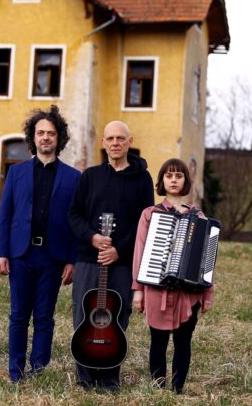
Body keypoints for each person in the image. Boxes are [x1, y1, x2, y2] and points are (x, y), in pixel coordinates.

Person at [0, 105, 81, 383]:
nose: (45, 137)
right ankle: (16, 372)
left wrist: (72, 260)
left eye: (51, 133)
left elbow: (75, 222)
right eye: (40, 132)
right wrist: (0, 253)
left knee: (45, 317)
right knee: (19, 316)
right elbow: (5, 215)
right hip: (21, 254)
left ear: (59, 138)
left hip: (53, 257)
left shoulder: (74, 178)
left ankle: (39, 369)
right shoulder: (16, 174)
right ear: (33, 137)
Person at [68, 120, 154, 390]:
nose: (115, 143)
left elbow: (145, 222)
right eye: (110, 139)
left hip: (123, 261)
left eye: (120, 138)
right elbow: (74, 214)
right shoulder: (90, 176)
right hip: (88, 259)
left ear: (130, 141)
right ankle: (84, 377)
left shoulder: (142, 179)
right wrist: (93, 237)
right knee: (83, 316)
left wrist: (119, 250)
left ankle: (108, 378)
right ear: (103, 143)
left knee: (117, 317)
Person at [131, 158, 214, 394]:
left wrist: (208, 293)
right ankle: (158, 390)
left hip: (188, 294)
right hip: (157, 291)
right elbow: (139, 251)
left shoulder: (199, 216)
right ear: (162, 181)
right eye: (169, 176)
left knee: (183, 343)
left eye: (179, 176)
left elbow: (207, 259)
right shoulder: (150, 214)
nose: (174, 180)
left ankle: (177, 391)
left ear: (185, 181)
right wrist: (138, 291)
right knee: (157, 343)